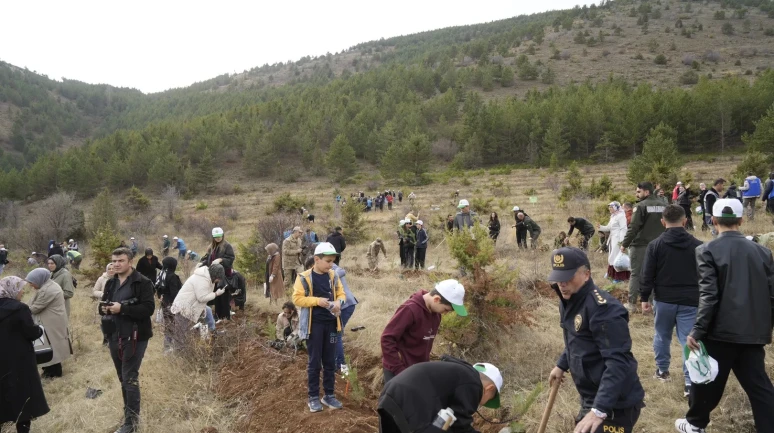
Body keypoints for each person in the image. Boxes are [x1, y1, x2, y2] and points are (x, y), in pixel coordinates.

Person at [675, 198, 774, 433]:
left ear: (713, 220)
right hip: (753, 332)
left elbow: (709, 295)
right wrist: (765, 327)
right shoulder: (763, 252)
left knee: (706, 380)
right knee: (760, 388)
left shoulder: (706, 250)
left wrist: (698, 330)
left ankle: (695, 424)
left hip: (720, 331)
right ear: (741, 221)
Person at [547, 247, 645, 433]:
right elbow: (578, 340)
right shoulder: (569, 301)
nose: (562, 283)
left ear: (586, 274)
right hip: (592, 395)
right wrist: (561, 365)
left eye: (568, 277)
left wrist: (599, 410)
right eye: (559, 277)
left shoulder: (604, 311)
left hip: (615, 403)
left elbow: (618, 362)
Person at [639, 205, 702, 398]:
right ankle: (690, 382)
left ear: (662, 222)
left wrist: (644, 298)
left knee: (661, 336)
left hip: (664, 300)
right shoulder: (698, 245)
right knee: (689, 340)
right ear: (685, 221)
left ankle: (662, 371)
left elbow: (647, 274)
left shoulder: (655, 245)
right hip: (691, 300)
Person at [98, 247, 155, 433]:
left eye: (120, 261)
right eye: (114, 261)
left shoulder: (142, 282)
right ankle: (128, 414)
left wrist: (122, 309)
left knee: (129, 376)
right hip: (114, 334)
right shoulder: (111, 283)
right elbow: (102, 305)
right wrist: (105, 309)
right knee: (123, 377)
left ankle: (131, 424)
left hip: (135, 336)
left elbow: (148, 309)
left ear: (130, 262)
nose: (116, 264)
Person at [378, 356, 502, 433]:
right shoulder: (474, 383)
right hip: (409, 399)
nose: (481, 404)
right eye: (488, 400)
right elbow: (460, 425)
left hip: (390, 393)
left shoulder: (457, 374)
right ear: (489, 389)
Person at [292, 242, 346, 412]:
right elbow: (297, 299)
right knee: (315, 362)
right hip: (314, 326)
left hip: (331, 325)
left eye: (333, 261)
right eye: (328, 261)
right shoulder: (304, 277)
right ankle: (313, 397)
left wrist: (339, 302)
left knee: (330, 361)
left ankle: (329, 395)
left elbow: (342, 294)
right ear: (317, 259)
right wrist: (317, 301)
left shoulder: (333, 276)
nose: (331, 265)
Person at [381, 279, 467, 383]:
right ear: (436, 299)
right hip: (399, 370)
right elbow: (387, 339)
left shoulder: (436, 315)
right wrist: (399, 370)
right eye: (446, 310)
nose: (445, 313)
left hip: (418, 369)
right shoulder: (410, 309)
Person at [0, 276, 50, 433]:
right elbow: (31, 332)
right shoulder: (20, 308)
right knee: (23, 395)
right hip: (20, 359)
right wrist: (39, 330)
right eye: (20, 288)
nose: (22, 292)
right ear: (12, 290)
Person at [620, 181, 665, 311]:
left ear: (646, 192)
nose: (637, 194)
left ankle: (632, 303)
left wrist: (624, 244)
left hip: (641, 245)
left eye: (639, 192)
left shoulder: (640, 206)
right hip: (659, 245)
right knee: (656, 274)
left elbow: (633, 227)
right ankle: (653, 303)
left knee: (636, 274)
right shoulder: (664, 205)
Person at [26, 268, 72, 379]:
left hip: (51, 323)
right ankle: (49, 371)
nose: (31, 285)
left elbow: (35, 308)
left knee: (52, 347)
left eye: (32, 282)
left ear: (39, 279)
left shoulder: (48, 290)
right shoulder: (46, 286)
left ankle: (53, 373)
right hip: (50, 322)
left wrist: (18, 310)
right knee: (49, 346)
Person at [200, 227, 236, 321]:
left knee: (224, 296)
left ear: (222, 235)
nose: (218, 238)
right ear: (213, 237)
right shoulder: (211, 247)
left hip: (224, 275)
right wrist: (201, 263)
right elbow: (207, 258)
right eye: (216, 237)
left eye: (219, 236)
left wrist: (221, 260)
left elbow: (231, 258)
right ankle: (217, 315)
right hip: (214, 275)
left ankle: (225, 316)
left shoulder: (227, 246)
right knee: (216, 295)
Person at [333, 263, 358, 372]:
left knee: (336, 335)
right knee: (335, 335)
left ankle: (341, 366)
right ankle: (337, 363)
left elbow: (341, 271)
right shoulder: (327, 267)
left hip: (345, 306)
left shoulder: (330, 268)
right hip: (345, 305)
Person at [155, 257, 182, 352]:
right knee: (176, 325)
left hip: (164, 303)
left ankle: (167, 346)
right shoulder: (172, 276)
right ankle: (172, 347)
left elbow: (158, 290)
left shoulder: (161, 274)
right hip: (172, 304)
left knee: (168, 324)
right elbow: (175, 293)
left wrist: (161, 297)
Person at [598, 202, 629, 282]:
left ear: (616, 207)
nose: (609, 209)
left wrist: (622, 242)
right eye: (609, 207)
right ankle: (611, 274)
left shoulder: (621, 216)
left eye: (611, 207)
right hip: (612, 239)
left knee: (616, 257)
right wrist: (600, 227)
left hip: (618, 240)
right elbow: (608, 228)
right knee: (612, 256)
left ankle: (619, 277)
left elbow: (623, 229)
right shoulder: (613, 216)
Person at [93, 263, 116, 345]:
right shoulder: (101, 279)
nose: (111, 270)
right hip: (104, 304)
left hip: (115, 304)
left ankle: (113, 339)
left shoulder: (119, 279)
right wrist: (103, 294)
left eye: (113, 268)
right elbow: (94, 291)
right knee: (104, 321)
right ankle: (106, 339)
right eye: (109, 269)